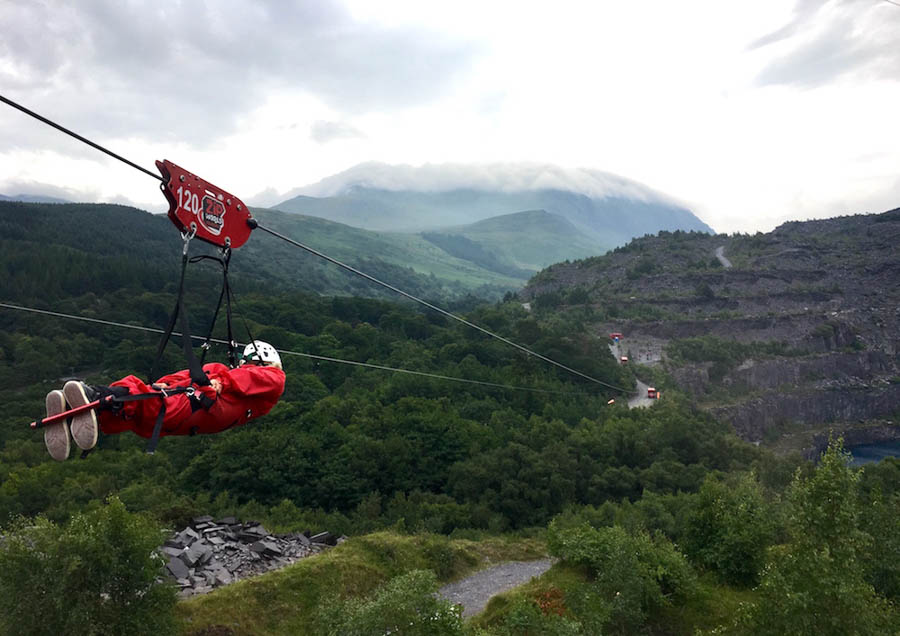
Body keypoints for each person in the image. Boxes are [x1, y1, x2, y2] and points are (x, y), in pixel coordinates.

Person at [43, 341, 286, 461]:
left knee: (142, 400)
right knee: (139, 412)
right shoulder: (225, 375)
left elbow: (250, 377)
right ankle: (87, 417)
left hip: (193, 406)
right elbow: (187, 376)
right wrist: (166, 383)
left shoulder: (272, 379)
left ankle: (94, 396)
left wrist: (222, 381)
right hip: (185, 412)